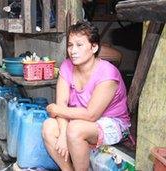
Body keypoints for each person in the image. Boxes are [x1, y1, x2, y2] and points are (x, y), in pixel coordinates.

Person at [42, 21, 131, 171]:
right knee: (48, 126)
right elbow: (62, 104)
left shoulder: (108, 74)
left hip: (112, 123)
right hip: (79, 118)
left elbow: (91, 115)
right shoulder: (67, 65)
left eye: (79, 45)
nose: (73, 51)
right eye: (70, 45)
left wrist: (56, 110)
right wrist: (63, 134)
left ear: (94, 47)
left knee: (75, 128)